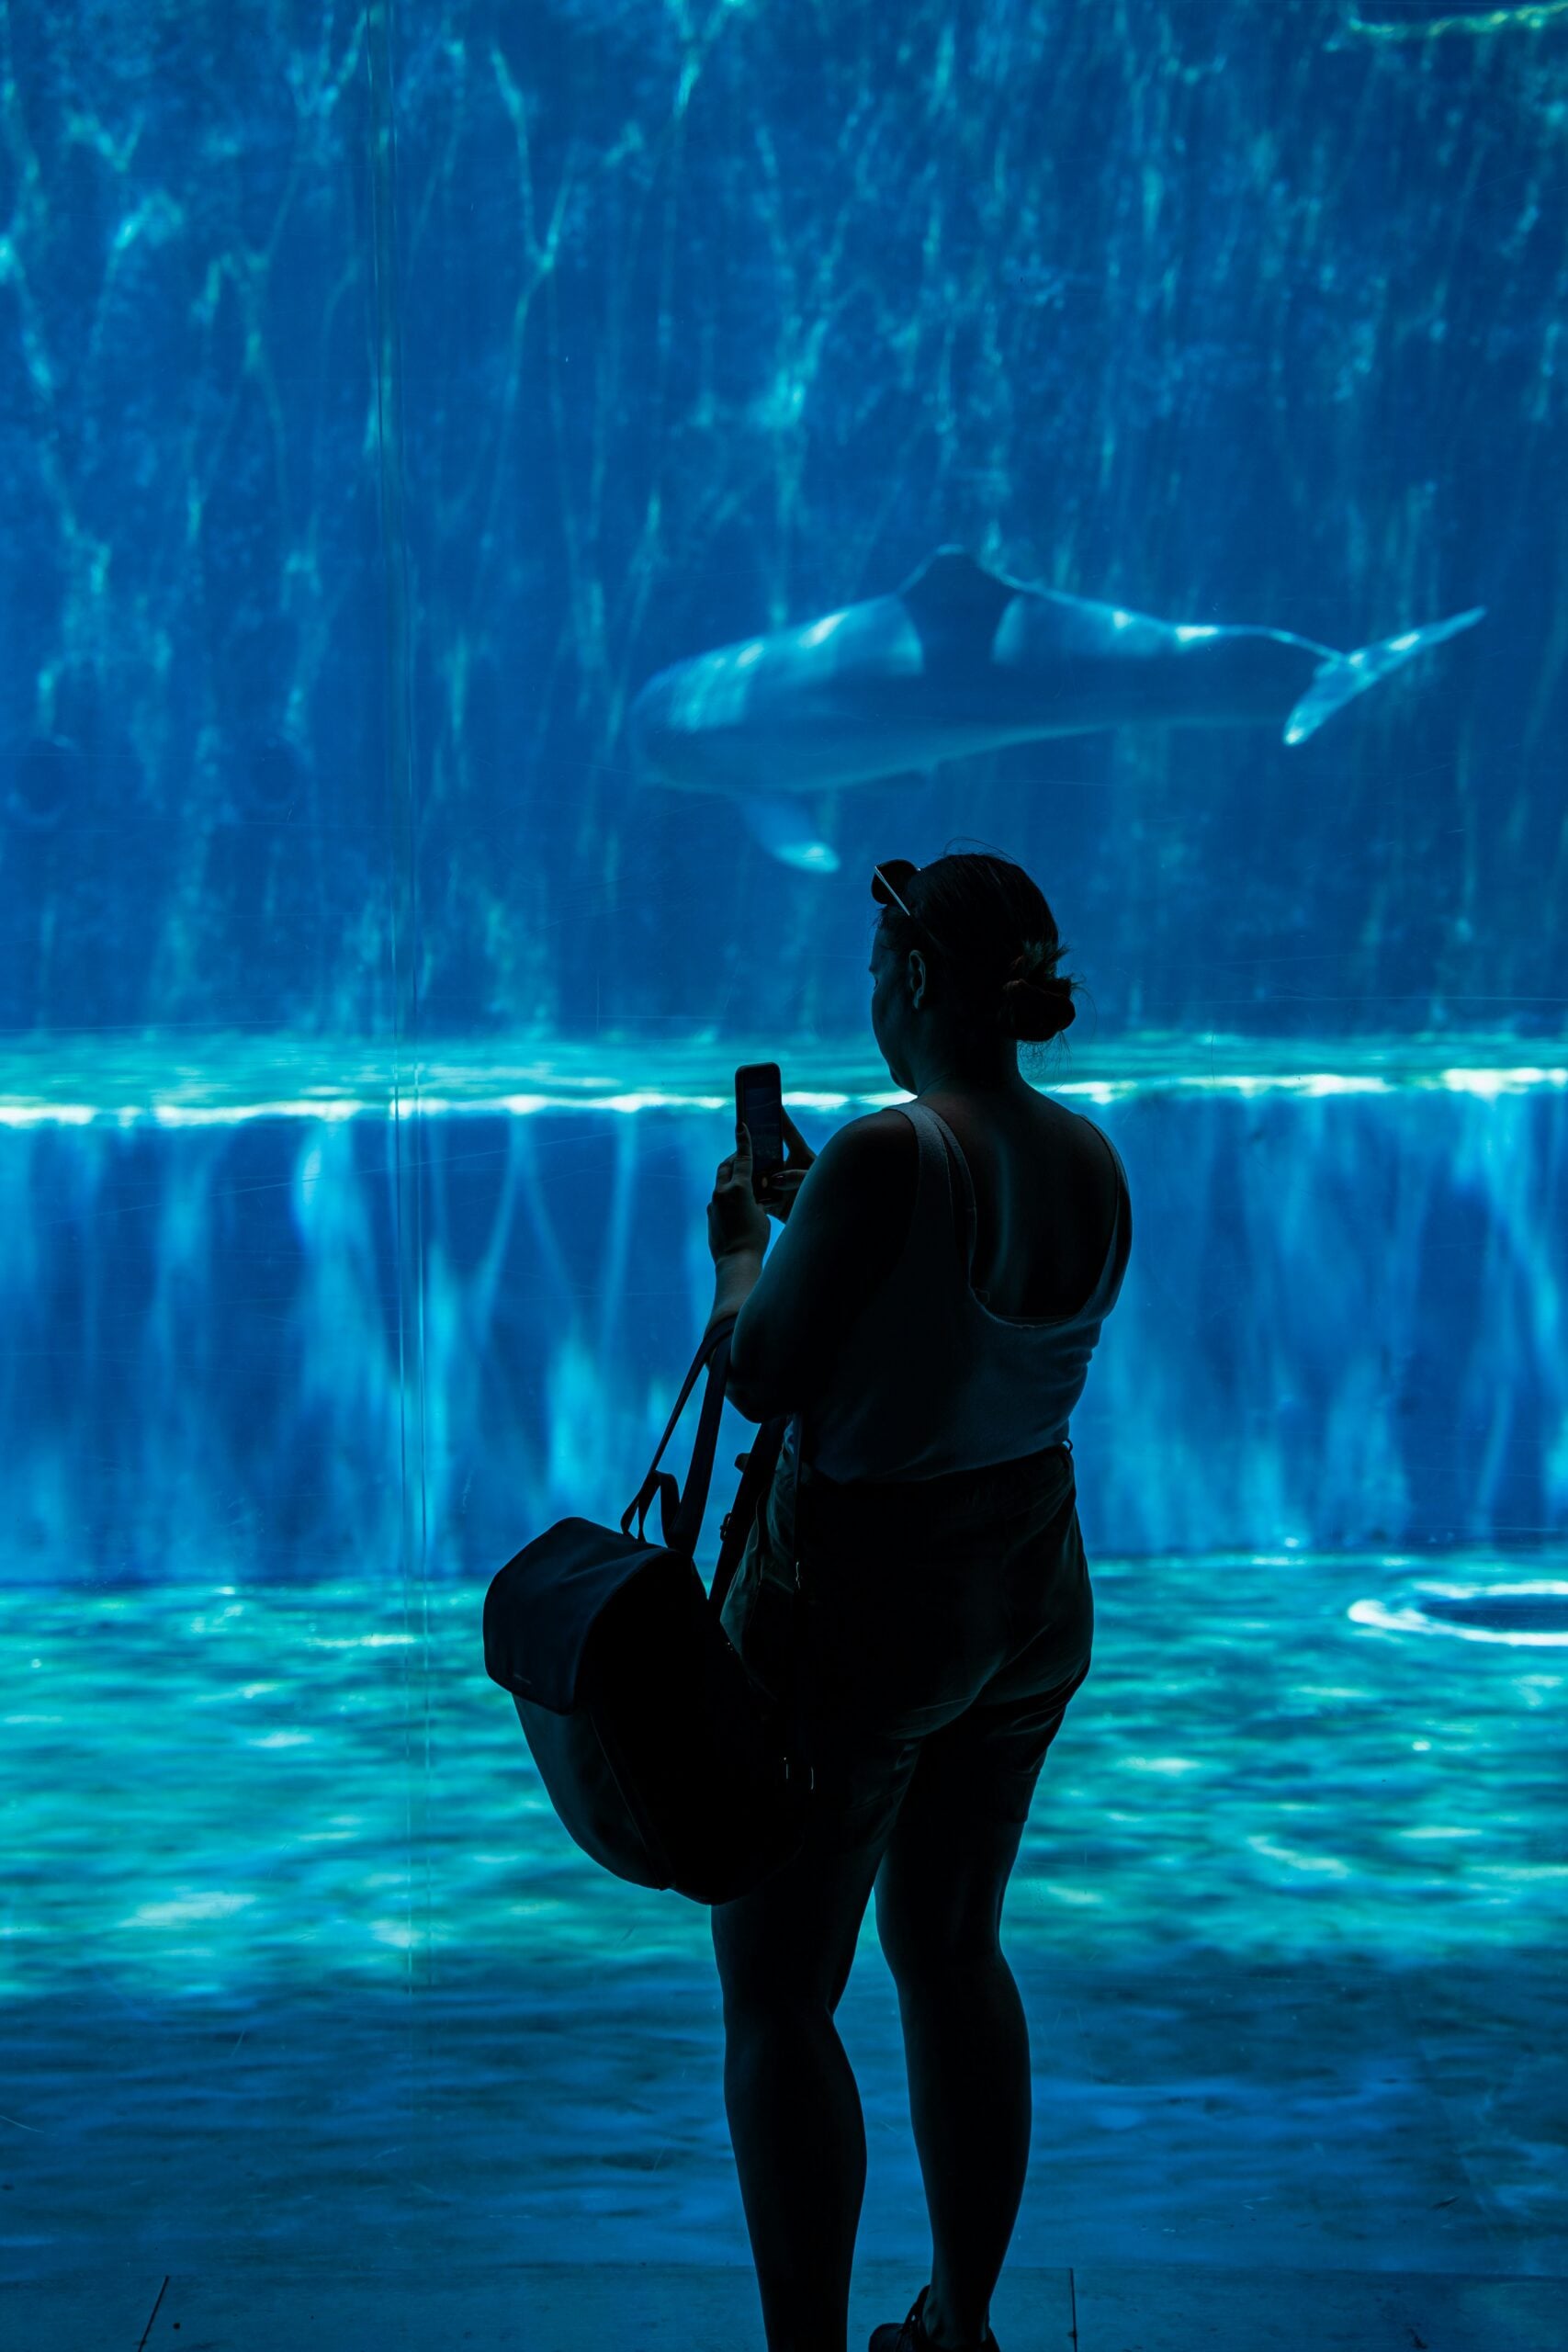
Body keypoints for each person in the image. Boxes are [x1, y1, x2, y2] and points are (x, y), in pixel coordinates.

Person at [701, 851, 1132, 2352]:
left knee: (778, 1996)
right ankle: (961, 2322)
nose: (868, 997)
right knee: (952, 1951)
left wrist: (749, 1245)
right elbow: (968, 1351)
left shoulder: (890, 1157)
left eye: (879, 969)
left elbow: (760, 1372)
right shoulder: (1089, 1158)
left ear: (922, 983)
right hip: (1028, 1589)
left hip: (867, 1613)